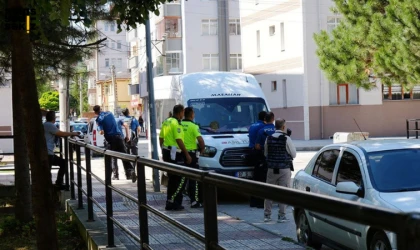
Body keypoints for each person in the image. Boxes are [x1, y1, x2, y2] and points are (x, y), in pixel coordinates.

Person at [263, 119, 296, 223]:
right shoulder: (286, 138)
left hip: (271, 169)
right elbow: (294, 154)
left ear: (275, 127)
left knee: (269, 192)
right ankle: (281, 215)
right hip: (284, 169)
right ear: (283, 127)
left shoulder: (268, 138)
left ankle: (267, 215)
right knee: (283, 192)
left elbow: (265, 154)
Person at [160, 104, 192, 211]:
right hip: (176, 154)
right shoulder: (176, 123)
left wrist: (163, 151)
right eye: (183, 112)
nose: (183, 114)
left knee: (172, 179)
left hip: (167, 152)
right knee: (180, 179)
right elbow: (179, 140)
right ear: (180, 112)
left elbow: (161, 138)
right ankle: (176, 202)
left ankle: (170, 202)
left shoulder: (166, 121)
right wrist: (187, 154)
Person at [93, 105, 137, 183]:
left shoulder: (99, 119)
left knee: (110, 158)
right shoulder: (110, 113)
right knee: (125, 156)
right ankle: (130, 171)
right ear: (101, 109)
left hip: (110, 140)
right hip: (119, 137)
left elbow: (101, 132)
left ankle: (109, 178)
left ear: (95, 112)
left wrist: (100, 129)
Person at [43, 111, 80, 189]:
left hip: (47, 152)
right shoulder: (49, 125)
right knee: (63, 163)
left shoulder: (45, 125)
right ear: (53, 118)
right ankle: (57, 183)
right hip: (48, 153)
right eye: (55, 117)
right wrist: (73, 133)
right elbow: (61, 134)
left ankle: (54, 184)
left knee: (59, 164)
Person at [181, 107, 205, 208]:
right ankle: (194, 201)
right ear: (191, 114)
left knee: (181, 178)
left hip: (180, 153)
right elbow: (200, 140)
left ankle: (177, 200)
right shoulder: (193, 126)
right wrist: (202, 149)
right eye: (194, 113)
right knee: (193, 178)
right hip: (191, 155)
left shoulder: (179, 124)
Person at [251, 112, 276, 208]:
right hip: (276, 160)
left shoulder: (261, 130)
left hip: (263, 158)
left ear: (265, 119)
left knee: (262, 178)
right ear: (273, 119)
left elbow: (257, 146)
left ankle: (261, 202)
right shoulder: (277, 130)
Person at [248, 111, 267, 207]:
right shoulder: (263, 127)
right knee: (261, 178)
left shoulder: (253, 125)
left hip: (251, 152)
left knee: (255, 176)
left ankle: (253, 201)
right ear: (265, 119)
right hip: (259, 153)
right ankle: (260, 202)